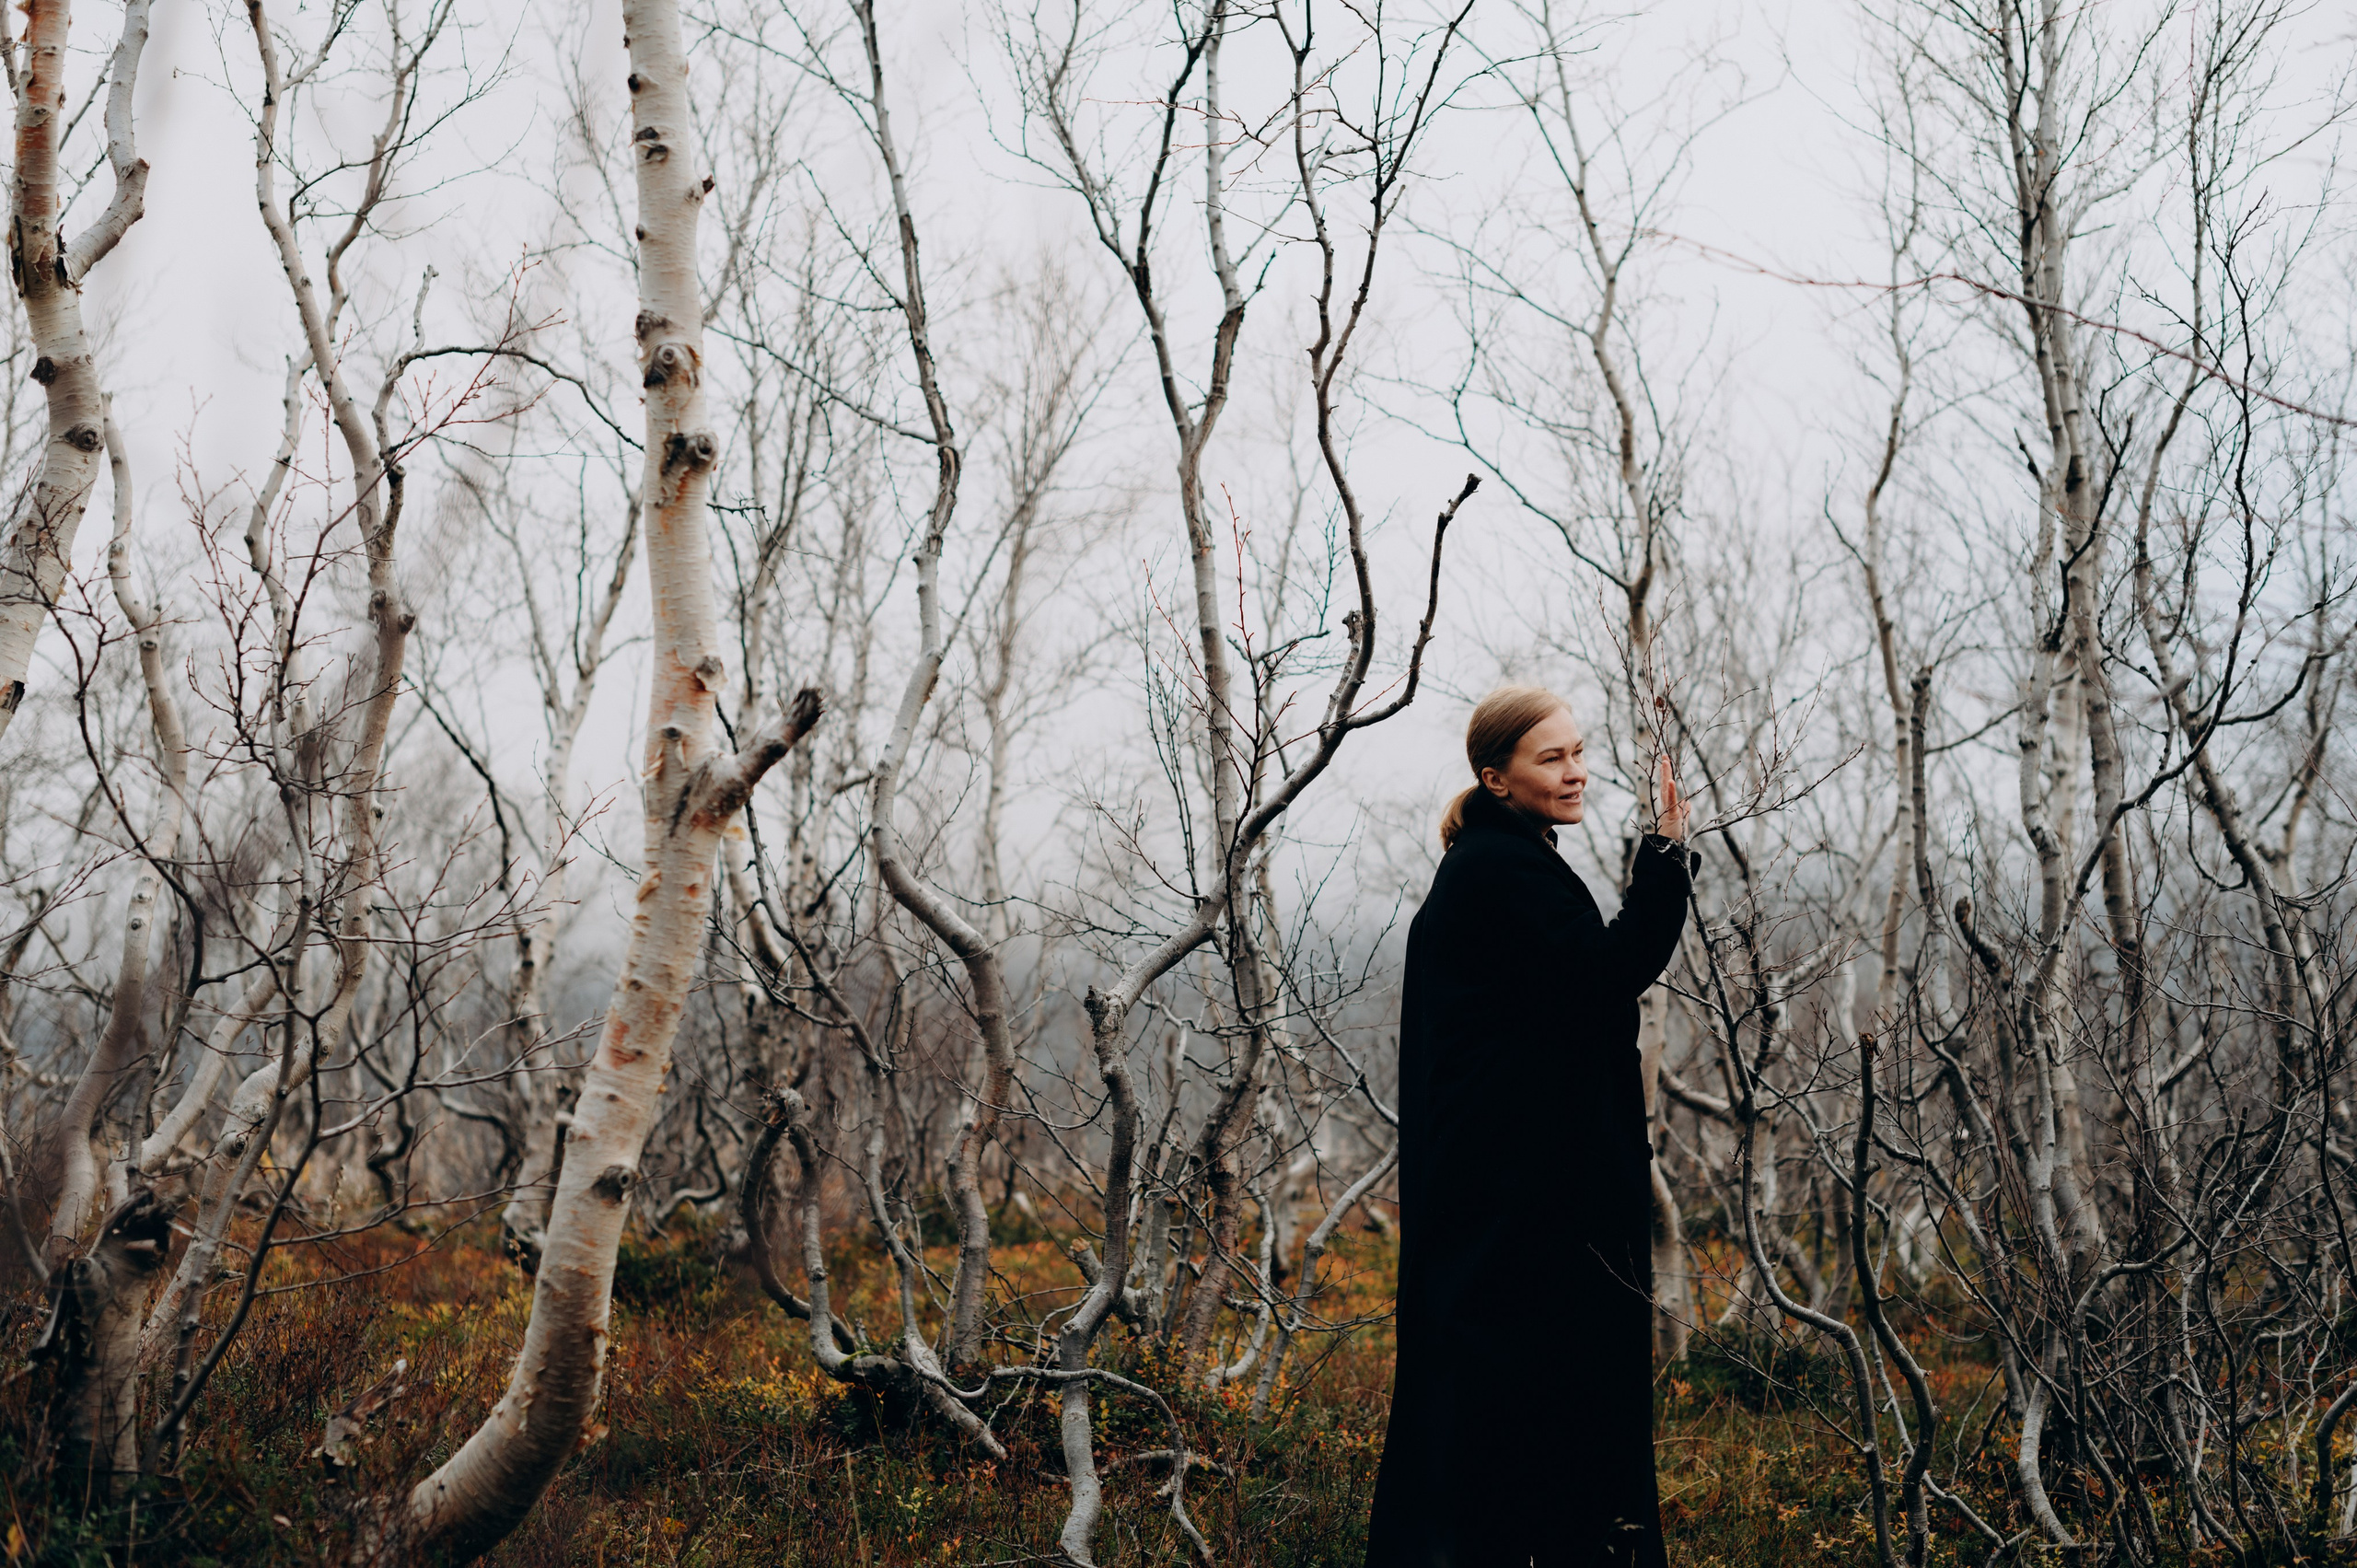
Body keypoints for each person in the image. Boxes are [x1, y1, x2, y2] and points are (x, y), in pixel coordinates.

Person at [1366, 685, 1693, 1568]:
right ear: (1496, 777)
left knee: (1502, 1418)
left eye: (1578, 752)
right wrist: (1667, 856)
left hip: (1511, 1204)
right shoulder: (1498, 871)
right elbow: (1608, 972)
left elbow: (1558, 1007)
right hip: (1527, 1214)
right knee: (1545, 1412)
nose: (1575, 771)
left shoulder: (1500, 860)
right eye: (1551, 758)